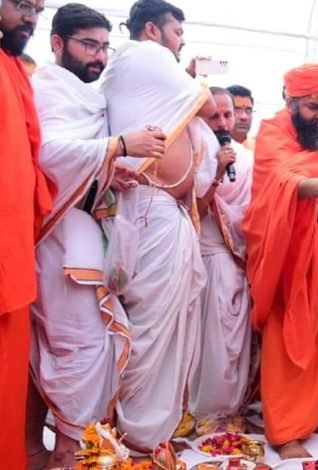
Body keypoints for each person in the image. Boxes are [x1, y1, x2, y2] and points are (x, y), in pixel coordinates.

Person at [26, 4, 166, 468]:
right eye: (89, 45)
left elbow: (82, 164)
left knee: (90, 345)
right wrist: (118, 146)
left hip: (85, 238)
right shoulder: (48, 87)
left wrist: (111, 173)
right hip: (56, 239)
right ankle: (64, 454)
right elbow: (48, 155)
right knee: (76, 346)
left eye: (105, 47)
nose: (100, 57)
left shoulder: (88, 96)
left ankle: (65, 448)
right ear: (57, 43)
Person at [99, 0, 218, 453]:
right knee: (151, 328)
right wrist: (194, 75)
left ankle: (148, 434)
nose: (180, 41)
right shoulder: (147, 55)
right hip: (151, 210)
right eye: (177, 32)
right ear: (152, 29)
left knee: (163, 327)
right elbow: (208, 103)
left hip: (160, 211)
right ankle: (137, 437)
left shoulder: (135, 64)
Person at [243, 63, 318, 459]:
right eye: (313, 107)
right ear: (290, 101)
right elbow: (272, 187)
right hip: (286, 258)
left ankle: (308, 416)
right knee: (286, 341)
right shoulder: (272, 133)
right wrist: (306, 190)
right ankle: (285, 431)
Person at [0, 1, 53, 468]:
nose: (32, 17)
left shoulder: (12, 68)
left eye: (38, 7)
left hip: (13, 252)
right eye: (22, 4)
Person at [189, 87, 254, 430]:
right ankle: (205, 410)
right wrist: (215, 173)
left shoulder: (246, 158)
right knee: (207, 342)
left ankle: (229, 408)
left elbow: (254, 211)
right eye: (215, 116)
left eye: (228, 114)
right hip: (205, 256)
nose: (224, 122)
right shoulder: (192, 152)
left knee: (233, 340)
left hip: (237, 259)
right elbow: (193, 212)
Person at [226, 84, 256, 151]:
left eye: (248, 110)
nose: (244, 117)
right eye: (237, 110)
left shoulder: (262, 148)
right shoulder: (212, 147)